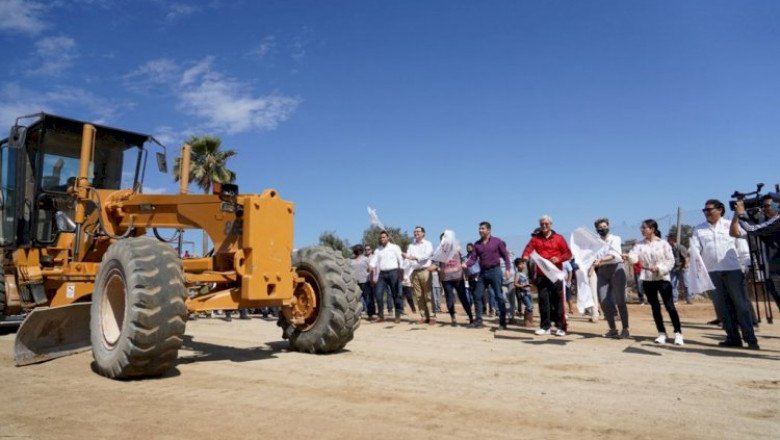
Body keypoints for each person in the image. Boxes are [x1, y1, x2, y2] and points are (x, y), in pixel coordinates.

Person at [691, 199, 759, 349]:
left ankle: (751, 339)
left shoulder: (731, 224)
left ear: (720, 210)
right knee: (722, 307)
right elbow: (696, 251)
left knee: (741, 306)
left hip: (733, 270)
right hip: (712, 273)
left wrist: (746, 266)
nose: (706, 213)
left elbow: (742, 247)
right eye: (705, 210)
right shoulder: (699, 229)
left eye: (709, 209)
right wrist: (698, 272)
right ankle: (733, 338)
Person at [625, 219, 683, 345]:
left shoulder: (663, 244)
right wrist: (629, 257)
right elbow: (634, 257)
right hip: (647, 279)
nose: (642, 230)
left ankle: (678, 333)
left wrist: (659, 268)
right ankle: (661, 333)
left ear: (652, 229)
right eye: (641, 227)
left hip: (663, 279)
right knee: (655, 307)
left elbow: (671, 261)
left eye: (644, 227)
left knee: (669, 306)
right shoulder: (639, 245)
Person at [521, 215, 572, 336]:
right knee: (543, 301)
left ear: (551, 225)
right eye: (542, 224)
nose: (544, 226)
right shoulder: (535, 239)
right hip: (541, 274)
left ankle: (561, 327)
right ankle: (545, 327)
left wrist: (559, 258)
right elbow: (528, 249)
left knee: (558, 301)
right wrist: (525, 256)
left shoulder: (559, 238)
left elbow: (568, 254)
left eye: (546, 224)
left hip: (556, 274)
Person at [731, 194, 780, 311]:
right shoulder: (764, 222)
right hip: (769, 273)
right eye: (762, 206)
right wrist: (737, 215)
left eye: (767, 206)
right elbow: (735, 233)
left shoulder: (777, 221)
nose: (764, 209)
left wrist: (741, 214)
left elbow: (752, 229)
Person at [463, 221, 511, 329]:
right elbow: (473, 258)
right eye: (479, 229)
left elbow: (505, 256)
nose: (480, 230)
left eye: (482, 228)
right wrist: (466, 264)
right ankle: (478, 321)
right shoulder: (477, 244)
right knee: (477, 295)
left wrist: (508, 269)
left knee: (498, 296)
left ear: (489, 230)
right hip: (483, 273)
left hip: (495, 271)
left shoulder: (497, 241)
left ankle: (502, 322)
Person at [592, 218, 629, 339]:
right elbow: (592, 256)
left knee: (620, 300)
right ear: (597, 229)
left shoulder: (615, 239)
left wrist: (600, 260)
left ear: (608, 227)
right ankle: (613, 329)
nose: (602, 229)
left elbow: (614, 255)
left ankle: (625, 329)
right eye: (600, 227)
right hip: (602, 271)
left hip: (616, 269)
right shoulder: (595, 243)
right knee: (603, 300)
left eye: (604, 226)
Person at [431, 231, 473, 325]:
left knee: (463, 298)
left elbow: (464, 261)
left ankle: (470, 317)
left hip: (458, 278)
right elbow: (436, 264)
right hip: (446, 280)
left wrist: (465, 272)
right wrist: (437, 269)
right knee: (449, 298)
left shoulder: (457, 249)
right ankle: (453, 318)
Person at [368, 230, 405, 323]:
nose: (382, 239)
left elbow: (400, 259)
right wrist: (370, 267)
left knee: (395, 294)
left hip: (394, 272)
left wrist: (401, 270)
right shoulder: (378, 250)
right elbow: (374, 261)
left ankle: (397, 315)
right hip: (382, 274)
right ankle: (381, 316)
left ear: (388, 238)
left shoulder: (395, 247)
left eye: (384, 237)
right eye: (381, 237)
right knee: (378, 294)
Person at [403, 226, 436, 324]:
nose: (416, 233)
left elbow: (427, 255)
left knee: (428, 294)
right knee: (418, 296)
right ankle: (424, 316)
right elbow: (408, 259)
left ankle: (432, 316)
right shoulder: (411, 246)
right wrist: (405, 257)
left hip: (425, 270)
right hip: (414, 272)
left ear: (423, 233)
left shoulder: (428, 244)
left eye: (418, 231)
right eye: (414, 231)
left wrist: (414, 257)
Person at [351, 244, 375, 319]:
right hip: (355, 282)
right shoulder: (351, 260)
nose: (356, 251)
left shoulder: (366, 259)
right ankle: (359, 313)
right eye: (355, 250)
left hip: (365, 281)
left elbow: (370, 269)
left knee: (368, 298)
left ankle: (370, 314)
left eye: (357, 250)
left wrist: (371, 279)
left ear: (360, 251)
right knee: (357, 299)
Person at [668, 236, 691, 304]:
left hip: (682, 268)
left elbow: (686, 257)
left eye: (669, 240)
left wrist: (685, 265)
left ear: (672, 241)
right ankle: (674, 299)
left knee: (686, 284)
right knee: (673, 284)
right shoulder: (669, 249)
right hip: (674, 269)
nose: (668, 242)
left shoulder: (681, 247)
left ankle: (688, 299)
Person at [512, 258, 534, 326]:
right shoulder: (517, 274)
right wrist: (523, 286)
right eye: (520, 264)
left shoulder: (524, 273)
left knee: (531, 306)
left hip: (528, 292)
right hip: (523, 293)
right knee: (529, 306)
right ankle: (527, 322)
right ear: (517, 266)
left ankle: (529, 322)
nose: (522, 265)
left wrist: (529, 285)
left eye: (522, 264)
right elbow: (515, 284)